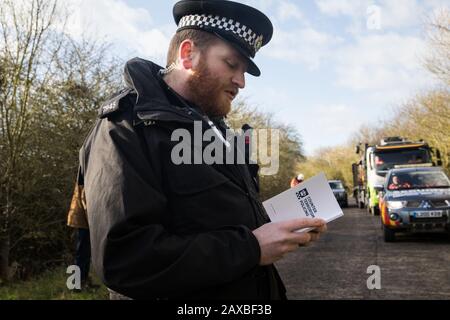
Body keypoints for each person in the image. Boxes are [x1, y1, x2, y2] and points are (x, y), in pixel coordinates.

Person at [78, 0, 327, 300]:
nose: (241, 82)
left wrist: (283, 222)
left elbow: (226, 220)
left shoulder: (218, 130)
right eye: (232, 65)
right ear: (188, 55)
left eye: (244, 70)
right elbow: (123, 260)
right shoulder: (125, 128)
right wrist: (251, 248)